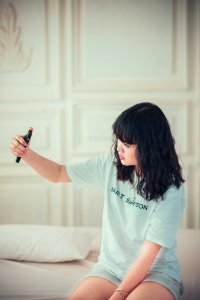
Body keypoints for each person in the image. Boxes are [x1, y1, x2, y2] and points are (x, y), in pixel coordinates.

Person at [10, 102, 185, 300]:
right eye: (118, 139)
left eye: (127, 144)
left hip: (154, 274)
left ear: (150, 146)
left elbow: (148, 254)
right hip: (111, 270)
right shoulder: (110, 164)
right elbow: (59, 173)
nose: (119, 147)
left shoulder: (171, 190)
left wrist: (120, 295)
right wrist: (26, 154)